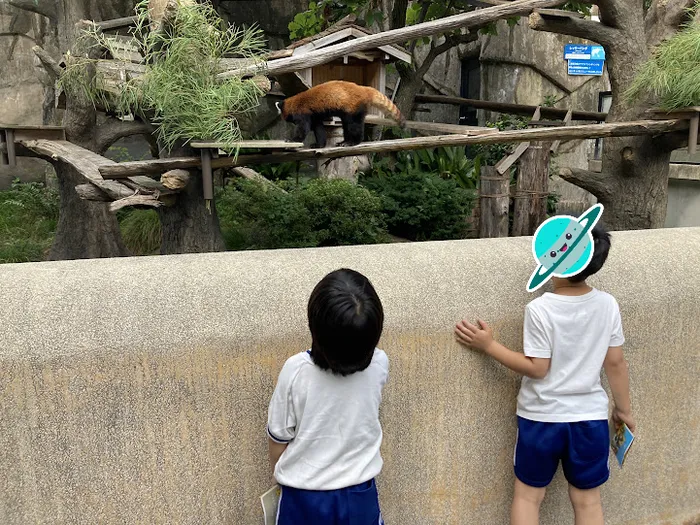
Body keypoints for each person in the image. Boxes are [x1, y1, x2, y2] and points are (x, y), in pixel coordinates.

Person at [454, 225, 634, 525]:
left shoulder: (540, 309)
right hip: (589, 420)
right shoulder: (607, 305)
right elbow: (615, 363)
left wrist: (489, 345)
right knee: (588, 501)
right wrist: (623, 410)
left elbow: (538, 368)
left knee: (528, 496)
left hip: (542, 419)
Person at [267, 268, 388, 525]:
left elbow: (278, 440)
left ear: (314, 324)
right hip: (360, 493)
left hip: (303, 497)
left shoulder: (296, 371)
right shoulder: (380, 363)